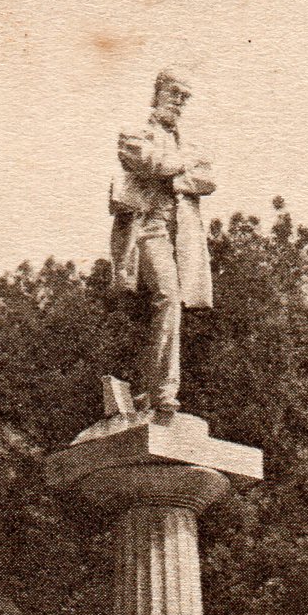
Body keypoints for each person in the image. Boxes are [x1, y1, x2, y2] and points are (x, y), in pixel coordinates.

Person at [109, 69, 214, 418]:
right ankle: (164, 391)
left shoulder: (187, 142)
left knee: (168, 305)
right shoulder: (136, 131)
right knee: (167, 296)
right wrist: (182, 166)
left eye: (185, 96)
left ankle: (146, 388)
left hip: (180, 233)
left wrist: (172, 172)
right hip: (147, 227)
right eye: (174, 92)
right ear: (157, 93)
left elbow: (208, 179)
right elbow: (144, 160)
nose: (179, 101)